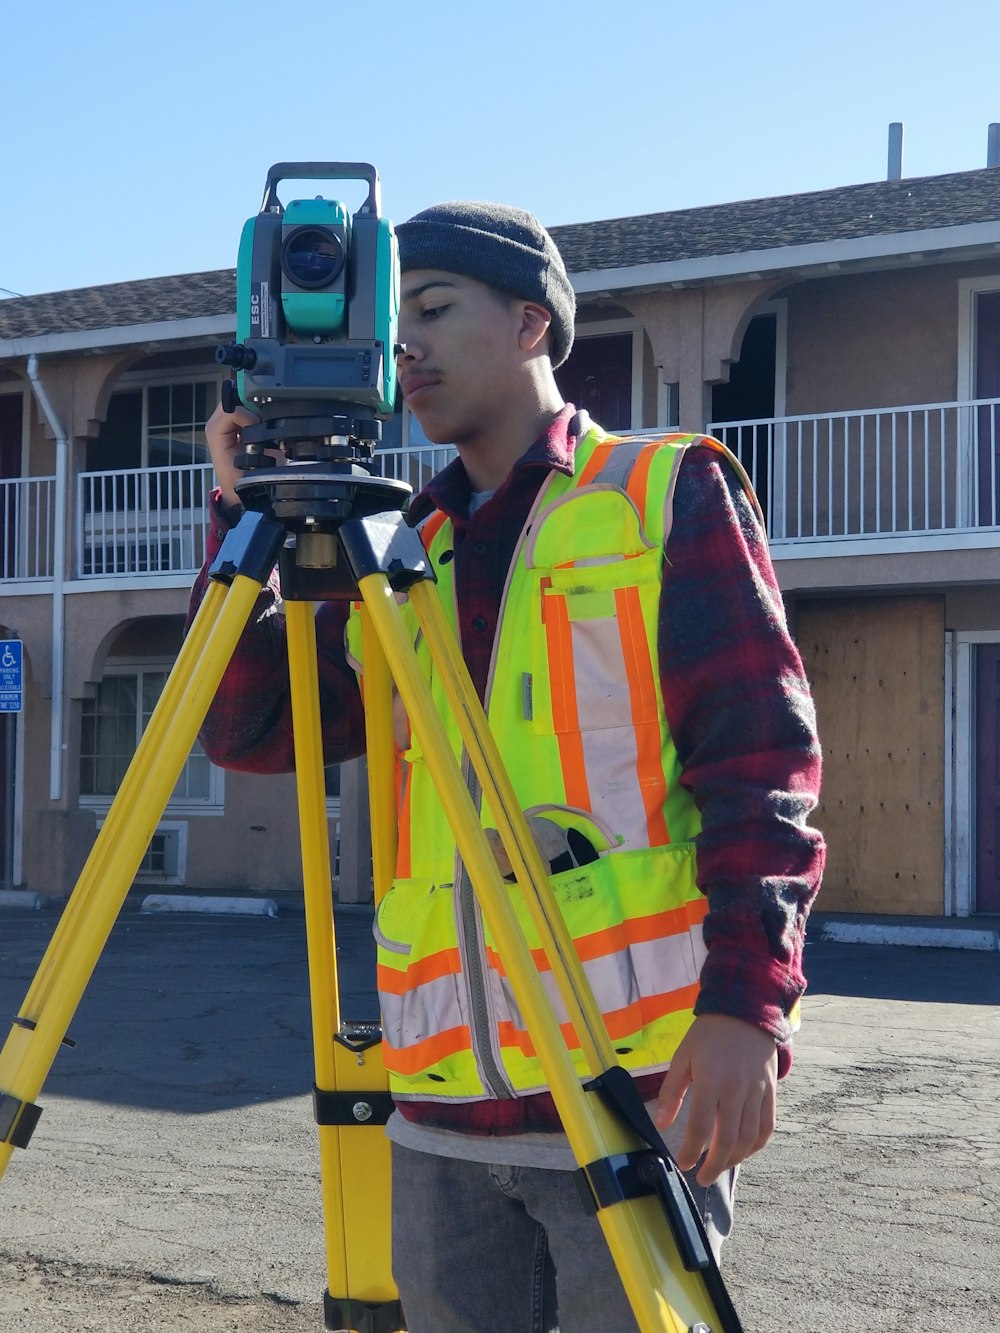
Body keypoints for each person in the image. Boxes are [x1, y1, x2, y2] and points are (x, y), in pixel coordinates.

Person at [190, 201, 825, 1332]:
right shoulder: (399, 554)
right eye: (394, 326)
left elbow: (761, 764)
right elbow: (250, 729)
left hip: (628, 1088)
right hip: (437, 1107)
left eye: (433, 310)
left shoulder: (656, 492)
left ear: (533, 323)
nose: (406, 350)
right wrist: (245, 519)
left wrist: (748, 1008)